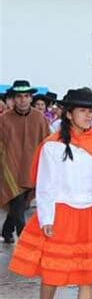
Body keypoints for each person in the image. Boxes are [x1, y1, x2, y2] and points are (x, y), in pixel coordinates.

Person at [8, 88, 92, 299]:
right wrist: (46, 218)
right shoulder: (53, 146)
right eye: (83, 111)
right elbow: (46, 185)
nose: (88, 116)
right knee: (53, 271)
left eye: (91, 112)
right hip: (62, 213)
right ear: (69, 113)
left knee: (88, 276)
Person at [0, 80, 50, 244]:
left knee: (20, 204)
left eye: (26, 96)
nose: (22, 100)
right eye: (19, 96)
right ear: (13, 99)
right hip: (9, 170)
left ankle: (7, 231)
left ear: (31, 98)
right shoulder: (4, 119)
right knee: (18, 204)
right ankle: (24, 240)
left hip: (31, 168)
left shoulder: (39, 118)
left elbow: (47, 144)